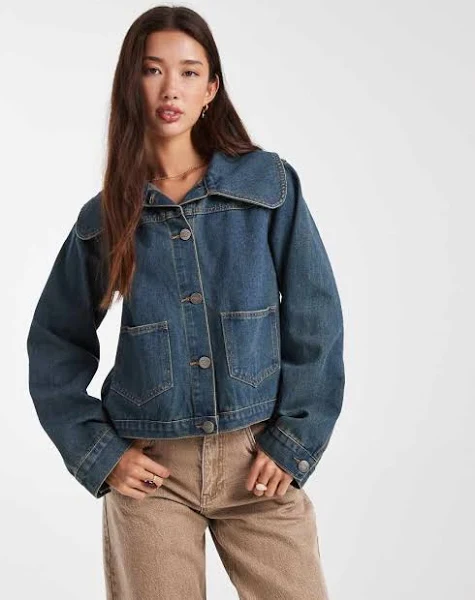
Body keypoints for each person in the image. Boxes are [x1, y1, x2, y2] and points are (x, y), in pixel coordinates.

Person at [26, 5, 345, 599]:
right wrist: (101, 454)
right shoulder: (105, 218)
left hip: (258, 465)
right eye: (152, 70)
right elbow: (54, 343)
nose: (171, 88)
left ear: (211, 89)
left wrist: (294, 441)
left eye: (189, 72)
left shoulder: (267, 187)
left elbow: (315, 316)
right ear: (131, 83)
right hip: (152, 474)